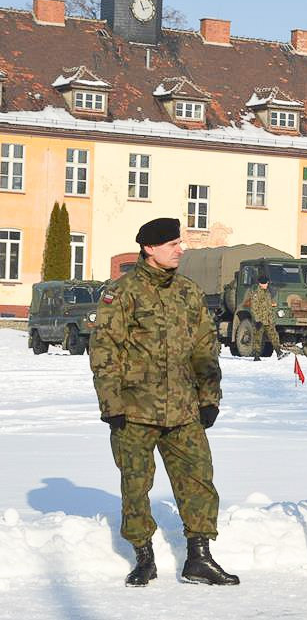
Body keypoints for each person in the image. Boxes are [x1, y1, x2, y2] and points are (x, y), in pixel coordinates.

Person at [90, 217, 239, 587]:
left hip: (185, 410)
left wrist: (209, 398)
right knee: (136, 485)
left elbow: (206, 348)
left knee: (198, 480)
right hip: (135, 411)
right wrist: (112, 406)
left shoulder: (188, 292)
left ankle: (199, 558)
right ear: (150, 248)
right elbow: (104, 350)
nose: (181, 248)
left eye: (180, 242)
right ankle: (143, 556)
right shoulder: (121, 292)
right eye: (173, 243)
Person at [246, 275, 287, 361]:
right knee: (258, 338)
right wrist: (257, 320)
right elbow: (254, 308)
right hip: (260, 320)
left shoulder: (267, 292)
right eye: (265, 283)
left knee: (274, 336)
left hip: (268, 320)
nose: (267, 284)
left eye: (267, 283)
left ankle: (279, 352)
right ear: (261, 283)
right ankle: (256, 356)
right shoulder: (256, 293)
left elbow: (267, 306)